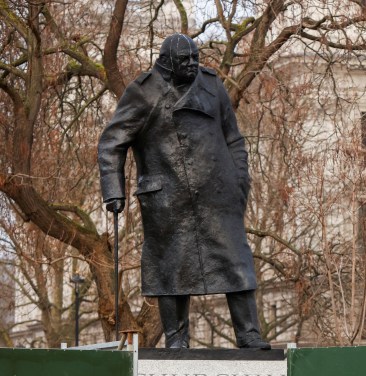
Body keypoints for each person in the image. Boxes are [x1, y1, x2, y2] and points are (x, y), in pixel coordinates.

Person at [97, 33, 270, 349]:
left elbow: (233, 138)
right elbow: (112, 142)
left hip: (219, 194)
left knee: (236, 261)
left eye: (195, 58)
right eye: (185, 60)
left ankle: (249, 334)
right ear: (166, 62)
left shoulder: (212, 85)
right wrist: (113, 190)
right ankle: (176, 340)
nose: (192, 64)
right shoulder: (143, 92)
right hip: (167, 198)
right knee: (172, 267)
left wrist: (240, 180)